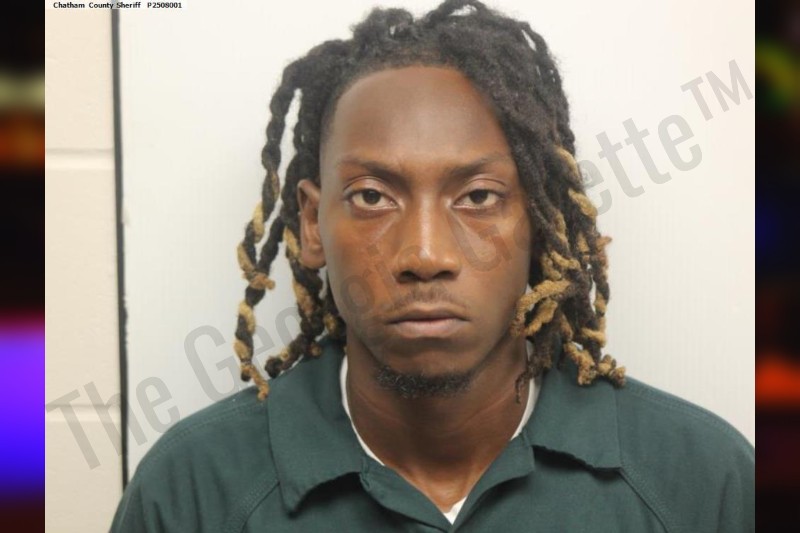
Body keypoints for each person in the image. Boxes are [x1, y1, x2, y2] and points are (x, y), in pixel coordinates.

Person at [110, 1, 754, 531]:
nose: (425, 256)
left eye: (478, 197)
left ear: (541, 222)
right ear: (311, 224)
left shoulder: (702, 481)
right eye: (372, 197)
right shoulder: (192, 492)